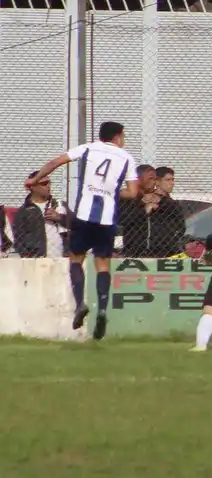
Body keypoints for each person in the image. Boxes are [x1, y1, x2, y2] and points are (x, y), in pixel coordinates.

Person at [26, 121, 144, 339]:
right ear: (117, 136)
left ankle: (80, 303)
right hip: (107, 218)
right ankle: (101, 308)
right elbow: (133, 192)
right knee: (102, 264)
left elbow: (55, 162)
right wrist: (110, 192)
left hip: (83, 215)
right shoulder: (126, 157)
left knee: (76, 259)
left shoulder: (87, 148)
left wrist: (35, 178)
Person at [11, 171, 69, 258]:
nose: (48, 186)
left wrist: (59, 217)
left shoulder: (59, 205)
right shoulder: (24, 211)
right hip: (37, 259)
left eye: (49, 183)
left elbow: (76, 225)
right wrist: (28, 256)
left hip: (62, 258)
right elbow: (18, 239)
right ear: (32, 187)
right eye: (44, 184)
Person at [145, 166, 186, 257]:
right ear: (158, 182)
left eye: (172, 180)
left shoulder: (171, 202)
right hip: (154, 248)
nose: (172, 183)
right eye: (167, 180)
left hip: (171, 247)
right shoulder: (150, 199)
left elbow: (181, 226)